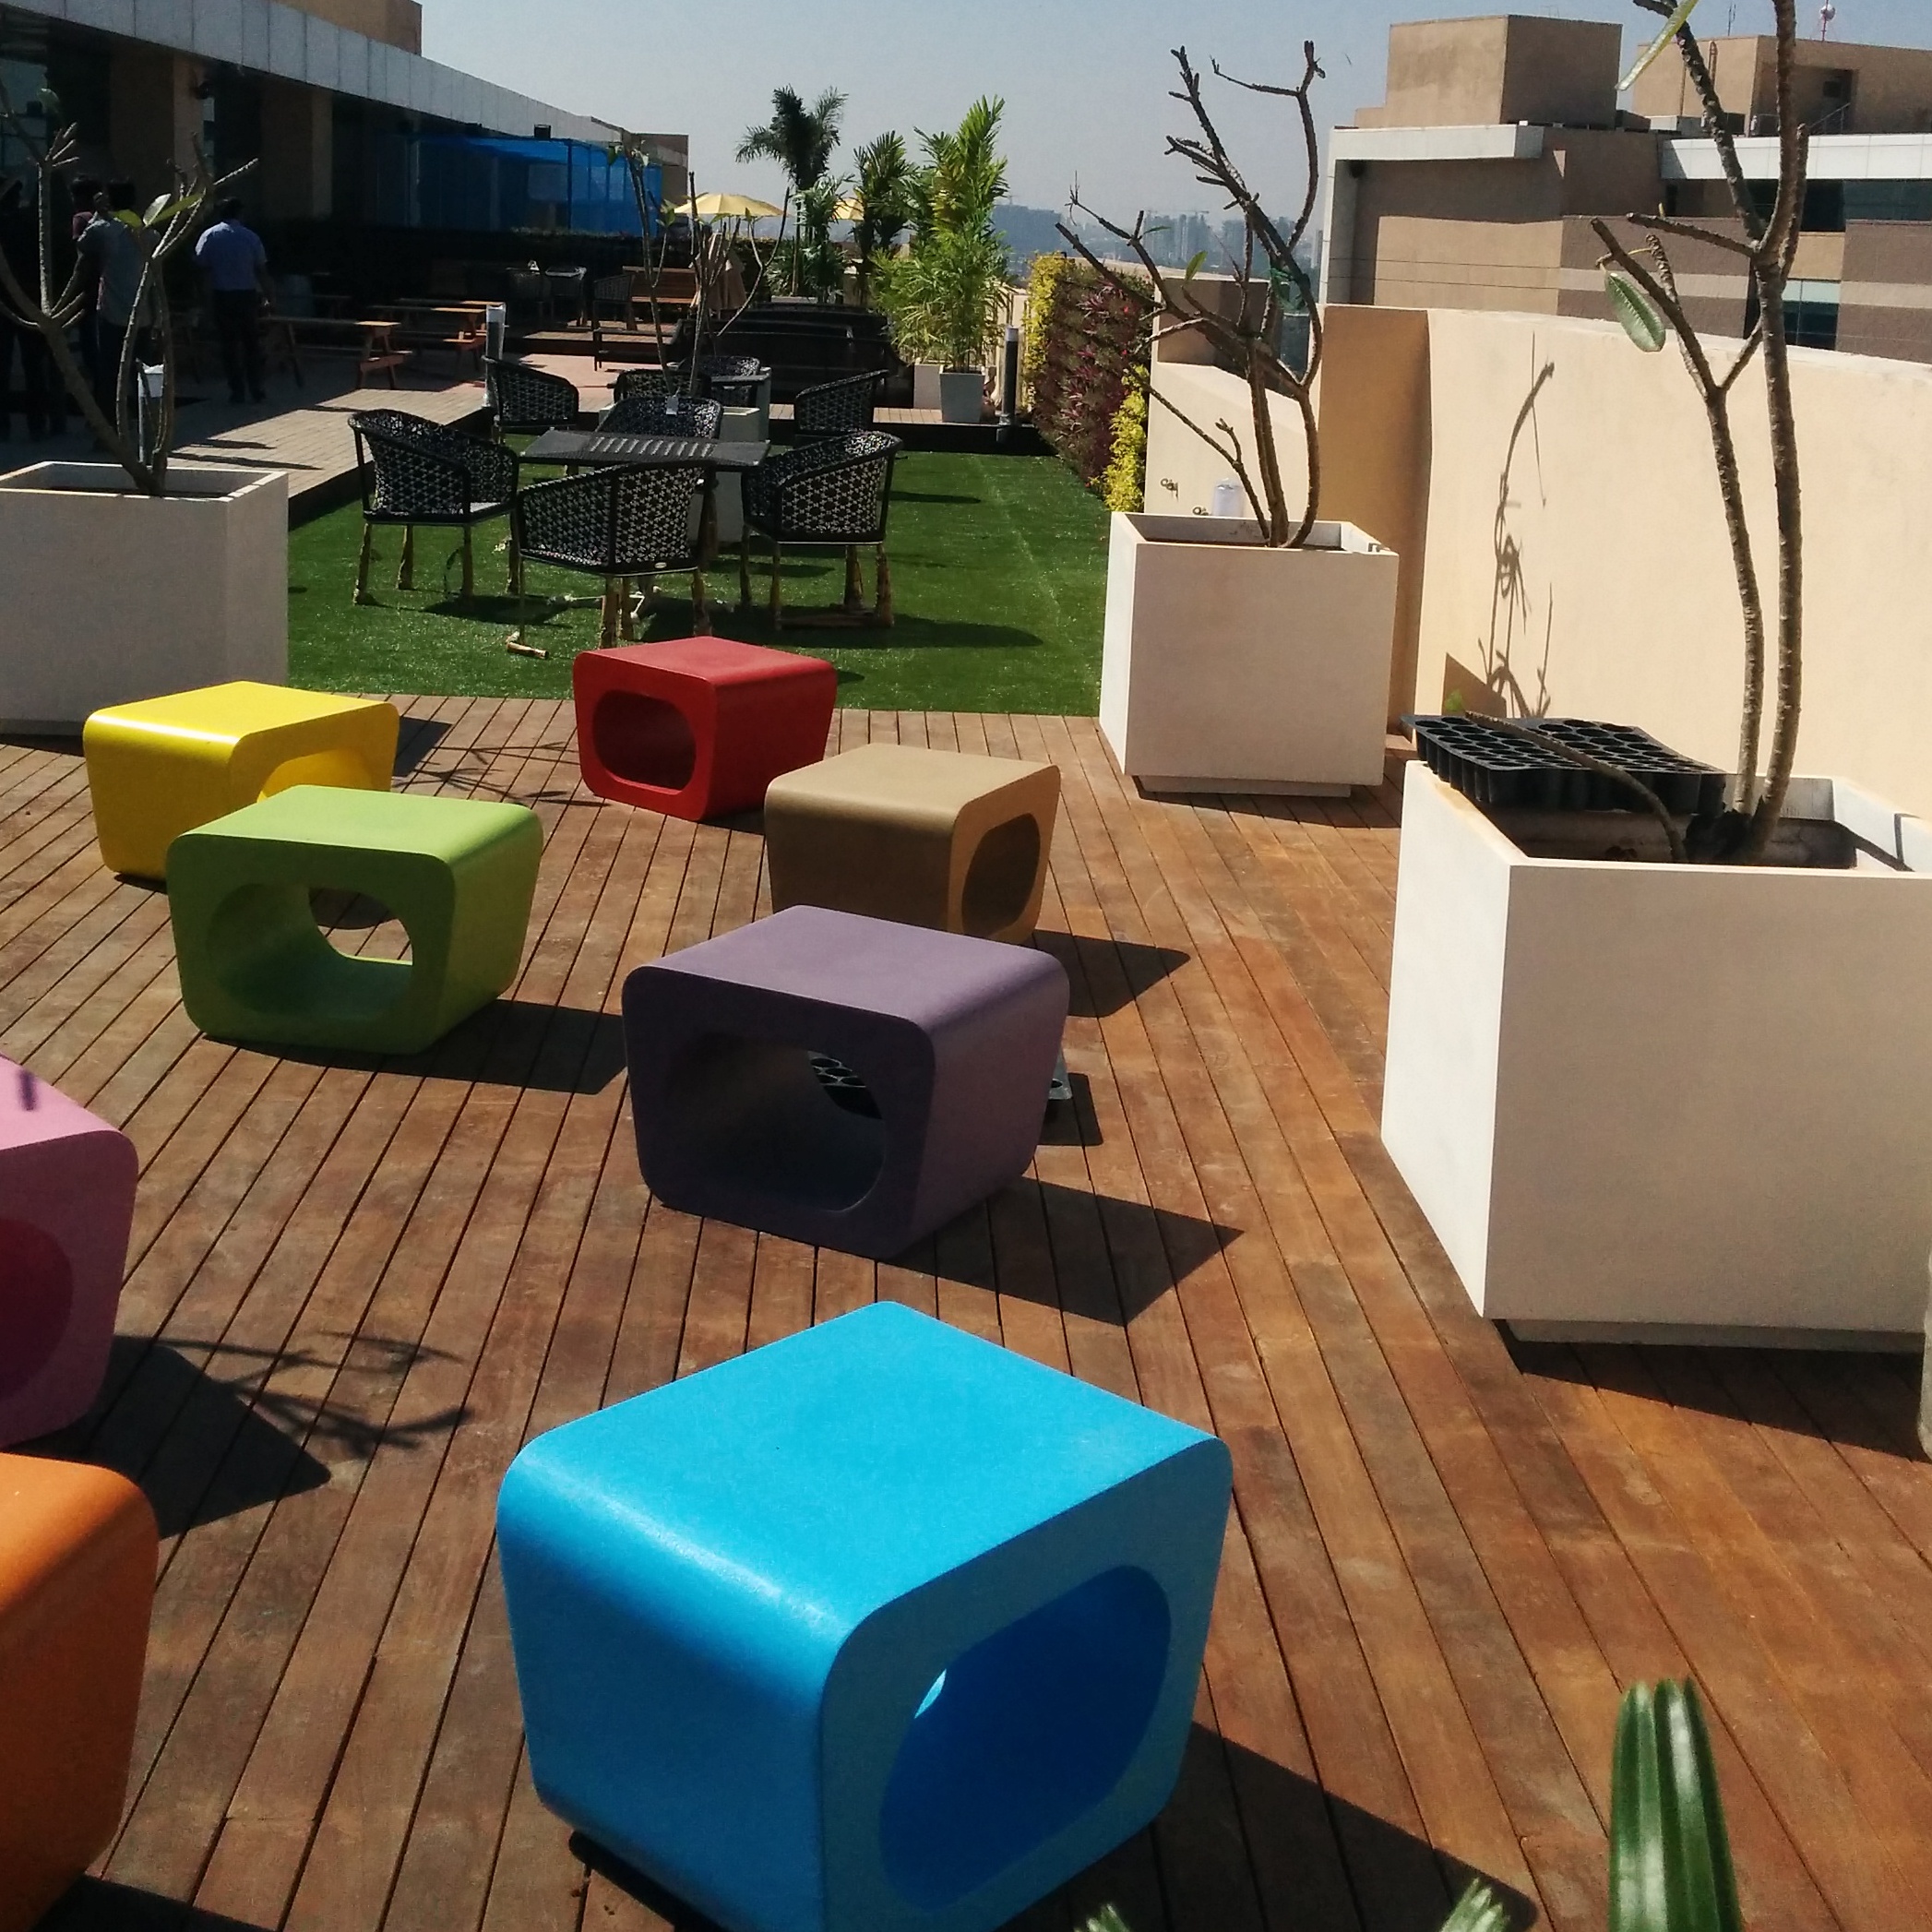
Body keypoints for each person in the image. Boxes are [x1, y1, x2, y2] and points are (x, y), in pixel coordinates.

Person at [76, 182, 150, 434]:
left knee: (109, 373)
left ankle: (109, 427)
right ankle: (145, 425)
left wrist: (99, 213)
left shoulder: (104, 230)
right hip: (142, 313)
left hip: (112, 313)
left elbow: (83, 243)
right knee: (140, 372)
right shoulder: (147, 232)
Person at [0, 177, 63, 441]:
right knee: (34, 367)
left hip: (5, 303)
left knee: (4, 366)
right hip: (30, 302)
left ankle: (3, 425)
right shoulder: (30, 224)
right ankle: (37, 423)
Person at [194, 197, 270, 404]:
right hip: (247, 294)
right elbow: (261, 269)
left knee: (229, 345)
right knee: (251, 343)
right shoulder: (250, 237)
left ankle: (237, 389)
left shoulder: (209, 236)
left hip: (222, 295)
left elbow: (202, 268)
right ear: (240, 213)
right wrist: (269, 296)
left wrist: (204, 299)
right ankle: (256, 387)